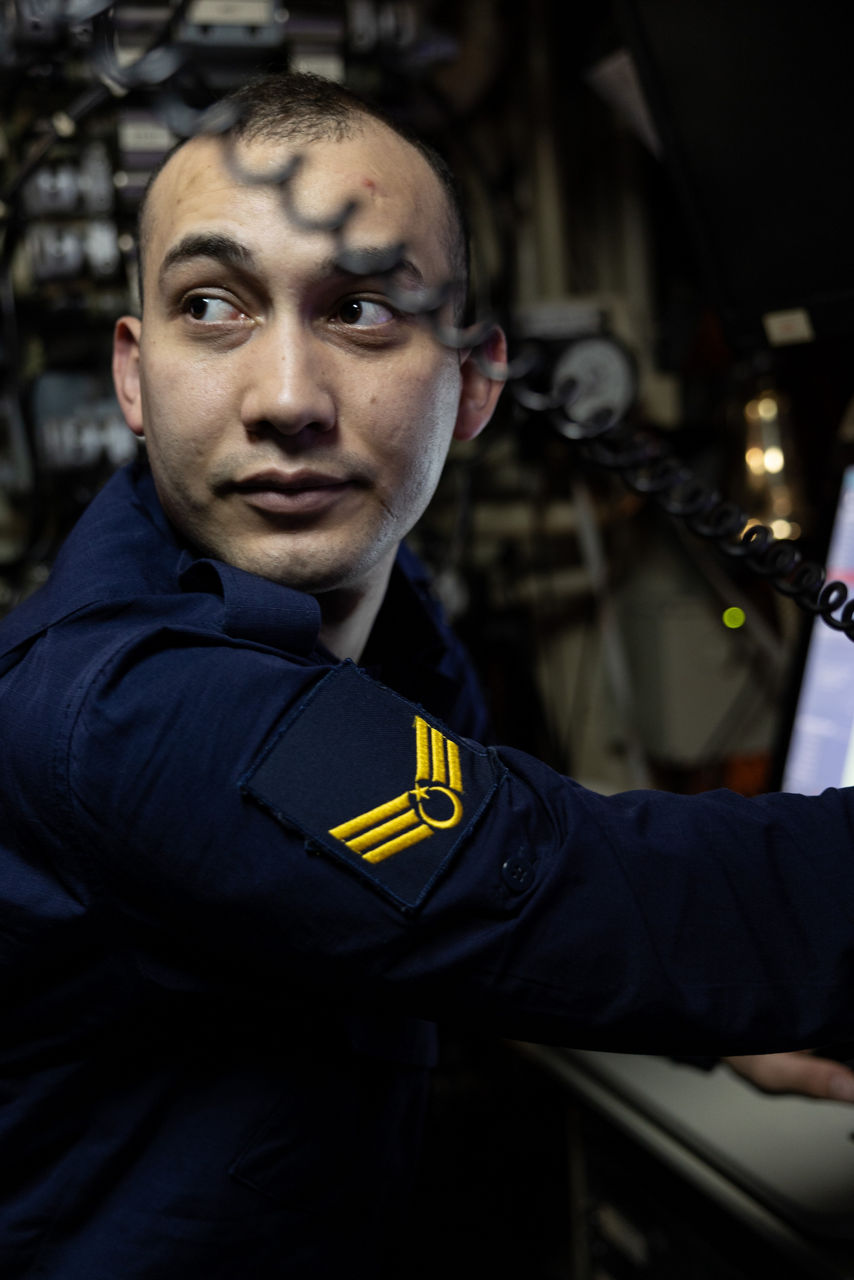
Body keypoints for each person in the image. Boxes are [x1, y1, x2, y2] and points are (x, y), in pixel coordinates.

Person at [2, 70, 854, 1279]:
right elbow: (560, 888)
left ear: (478, 382)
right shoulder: (131, 706)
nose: (287, 398)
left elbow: (460, 903)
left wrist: (721, 1023)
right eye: (212, 305)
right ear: (133, 378)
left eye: (360, 312)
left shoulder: (376, 624)